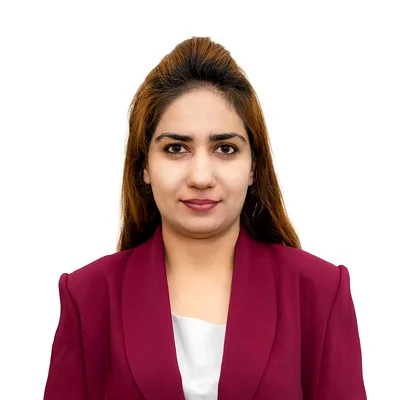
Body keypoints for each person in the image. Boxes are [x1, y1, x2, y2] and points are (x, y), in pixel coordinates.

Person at [43, 36, 367, 400]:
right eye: (176, 148)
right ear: (144, 165)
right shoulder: (87, 297)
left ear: (253, 166)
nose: (200, 176)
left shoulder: (320, 291)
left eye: (225, 149)